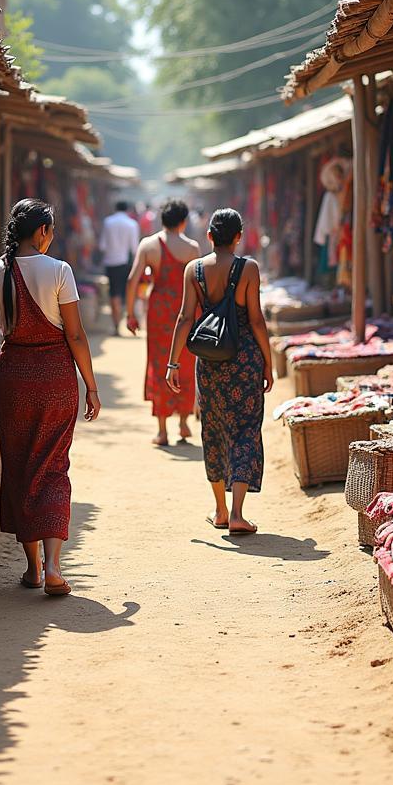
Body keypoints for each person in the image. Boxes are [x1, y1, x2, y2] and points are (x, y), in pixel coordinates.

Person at [0, 199, 101, 597]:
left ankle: (33, 569)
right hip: (56, 380)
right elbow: (75, 335)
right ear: (43, 231)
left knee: (20, 468)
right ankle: (54, 567)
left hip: (13, 382)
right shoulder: (60, 270)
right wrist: (91, 385)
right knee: (53, 467)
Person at [166, 208, 273, 536]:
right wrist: (268, 362)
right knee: (246, 429)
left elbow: (185, 318)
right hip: (245, 360)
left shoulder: (194, 270)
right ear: (238, 237)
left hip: (210, 362)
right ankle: (238, 513)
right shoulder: (248, 269)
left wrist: (173, 363)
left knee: (212, 430)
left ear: (209, 236)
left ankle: (220, 511)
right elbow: (256, 320)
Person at [125, 199, 201, 446]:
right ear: (183, 222)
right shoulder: (192, 249)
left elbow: (132, 280)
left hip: (158, 312)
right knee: (185, 362)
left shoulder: (148, 246)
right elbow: (199, 284)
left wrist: (130, 314)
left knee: (159, 364)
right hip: (185, 311)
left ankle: (162, 431)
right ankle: (184, 423)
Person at [99, 200, 140, 335]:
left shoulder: (108, 222)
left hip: (111, 262)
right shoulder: (132, 224)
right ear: (127, 210)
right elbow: (134, 248)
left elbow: (102, 246)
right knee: (126, 293)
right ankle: (126, 321)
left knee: (114, 293)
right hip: (125, 263)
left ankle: (116, 325)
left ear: (115, 208)